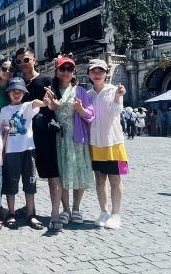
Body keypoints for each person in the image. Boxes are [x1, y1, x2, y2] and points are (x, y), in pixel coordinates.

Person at [48, 57, 95, 230]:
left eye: (69, 69)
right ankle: (66, 209)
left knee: (78, 172)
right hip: (59, 138)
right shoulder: (53, 90)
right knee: (63, 174)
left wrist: (80, 109)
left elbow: (90, 115)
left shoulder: (80, 91)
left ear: (74, 72)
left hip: (76, 137)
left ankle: (76, 208)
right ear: (57, 71)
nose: (66, 72)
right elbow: (47, 111)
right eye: (62, 69)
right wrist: (51, 105)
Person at [15, 47, 59, 229]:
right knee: (28, 175)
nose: (23, 64)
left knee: (52, 174)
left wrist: (51, 103)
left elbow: (56, 105)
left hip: (44, 134)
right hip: (24, 136)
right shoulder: (17, 83)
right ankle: (29, 209)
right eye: (19, 61)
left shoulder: (47, 80)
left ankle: (55, 213)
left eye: (26, 60)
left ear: (34, 60)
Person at [0, 77, 49, 230]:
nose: (16, 94)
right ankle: (11, 212)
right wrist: (4, 131)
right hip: (11, 151)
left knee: (30, 183)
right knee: (11, 184)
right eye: (13, 91)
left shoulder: (26, 106)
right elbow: (0, 130)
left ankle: (30, 213)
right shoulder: (4, 110)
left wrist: (45, 102)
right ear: (8, 93)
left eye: (19, 91)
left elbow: (36, 103)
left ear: (24, 93)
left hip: (28, 149)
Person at [87, 59, 128, 229]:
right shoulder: (87, 94)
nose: (97, 74)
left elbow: (116, 112)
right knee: (99, 178)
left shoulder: (113, 90)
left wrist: (118, 96)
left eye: (100, 71)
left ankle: (116, 214)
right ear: (89, 74)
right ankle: (104, 211)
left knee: (115, 178)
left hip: (113, 141)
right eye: (93, 71)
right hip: (95, 142)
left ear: (106, 73)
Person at [0, 58, 15, 125]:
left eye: (11, 69)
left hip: (10, 126)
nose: (7, 71)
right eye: (4, 69)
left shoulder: (17, 87)